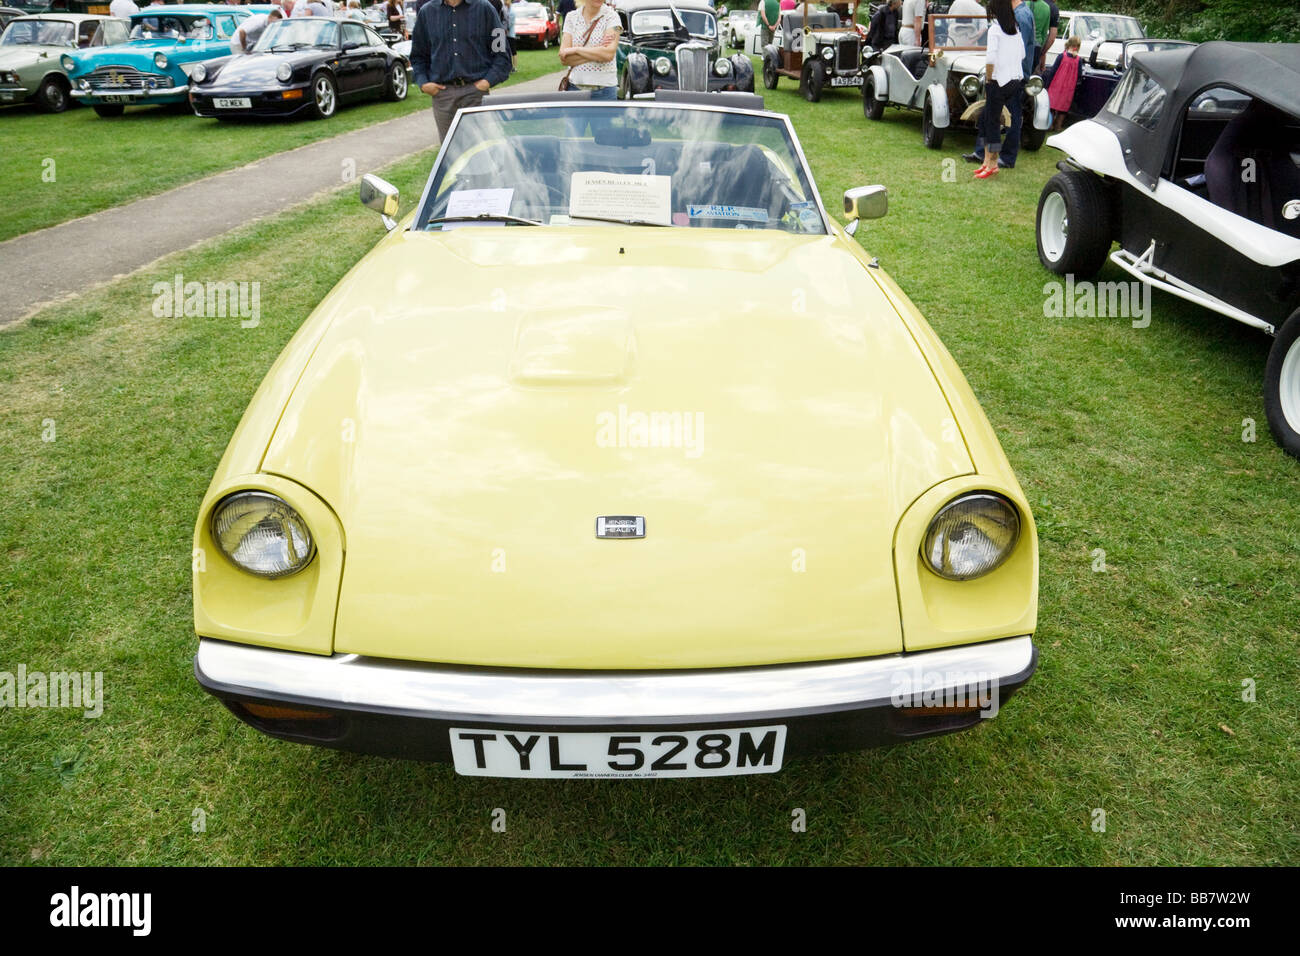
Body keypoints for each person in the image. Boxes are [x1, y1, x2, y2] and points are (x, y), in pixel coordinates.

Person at [410, 0, 512, 141]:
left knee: (483, 151)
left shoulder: (485, 9)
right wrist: (423, 83)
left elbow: (502, 52)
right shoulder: (426, 13)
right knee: (450, 156)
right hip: (443, 97)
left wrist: (486, 82)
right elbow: (417, 56)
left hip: (476, 95)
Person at [974, 0, 1022, 178]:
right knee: (987, 119)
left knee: (992, 123)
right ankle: (987, 161)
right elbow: (1022, 54)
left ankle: (992, 163)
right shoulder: (1015, 29)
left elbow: (990, 58)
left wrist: (988, 78)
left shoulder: (995, 29)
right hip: (1014, 79)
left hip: (997, 81)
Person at [558, 0, 619, 99]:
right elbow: (564, 58)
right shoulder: (571, 17)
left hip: (605, 92)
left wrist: (576, 50)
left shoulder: (613, 17)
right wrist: (598, 50)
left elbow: (608, 55)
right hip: (574, 90)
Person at [1044, 33, 1079, 128]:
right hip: (1069, 88)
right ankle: (1058, 126)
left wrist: (1047, 85)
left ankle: (1049, 125)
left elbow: (1053, 71)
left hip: (1056, 85)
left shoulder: (1061, 56)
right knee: (1063, 107)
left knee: (1052, 105)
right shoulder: (1079, 60)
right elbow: (1079, 75)